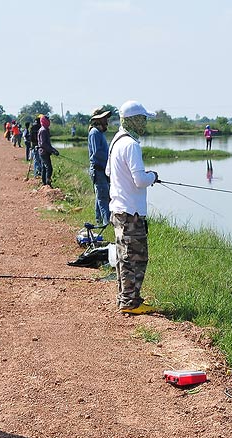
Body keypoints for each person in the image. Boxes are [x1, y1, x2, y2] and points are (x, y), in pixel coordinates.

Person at [106, 100, 159, 315]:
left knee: (123, 257)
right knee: (136, 257)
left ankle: (127, 297)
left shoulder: (116, 141)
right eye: (143, 119)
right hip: (131, 213)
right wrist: (153, 176)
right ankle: (130, 302)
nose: (145, 123)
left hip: (119, 210)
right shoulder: (132, 145)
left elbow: (110, 172)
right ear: (134, 120)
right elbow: (139, 180)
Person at [88, 107, 112, 227]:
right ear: (98, 119)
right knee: (103, 198)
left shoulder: (99, 133)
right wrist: (110, 158)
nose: (106, 120)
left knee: (100, 196)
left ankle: (98, 221)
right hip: (98, 170)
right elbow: (97, 152)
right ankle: (107, 223)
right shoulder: (95, 133)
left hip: (102, 170)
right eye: (104, 118)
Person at [36, 114, 59, 187]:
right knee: (49, 168)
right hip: (44, 152)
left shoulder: (44, 129)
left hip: (44, 152)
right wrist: (52, 150)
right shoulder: (43, 130)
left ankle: (44, 183)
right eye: (48, 120)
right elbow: (43, 144)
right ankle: (48, 183)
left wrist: (52, 150)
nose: (49, 121)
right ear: (44, 121)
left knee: (44, 168)